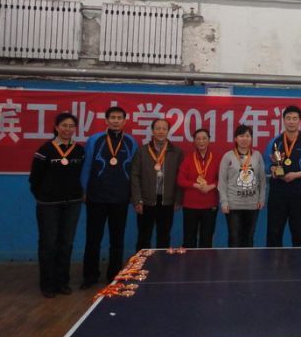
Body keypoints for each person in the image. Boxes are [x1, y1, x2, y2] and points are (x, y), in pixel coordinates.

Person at [79, 106, 138, 289]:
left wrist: (132, 194)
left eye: (119, 118)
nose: (116, 121)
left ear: (125, 120)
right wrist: (84, 189)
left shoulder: (131, 141)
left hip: (120, 198)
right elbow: (87, 165)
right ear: (106, 120)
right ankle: (90, 276)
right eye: (112, 117)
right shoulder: (95, 139)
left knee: (117, 240)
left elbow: (133, 171)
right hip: (96, 197)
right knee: (93, 239)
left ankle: (114, 275)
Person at [29, 112, 85, 298]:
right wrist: (43, 196)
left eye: (71, 126)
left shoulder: (79, 151)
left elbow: (83, 175)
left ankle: (62, 282)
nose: (68, 129)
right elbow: (34, 179)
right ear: (56, 127)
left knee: (66, 244)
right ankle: (48, 284)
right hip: (49, 205)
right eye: (64, 125)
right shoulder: (44, 150)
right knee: (49, 244)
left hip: (73, 204)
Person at [263, 105, 301, 247]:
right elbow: (266, 164)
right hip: (277, 193)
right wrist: (272, 169)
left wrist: (298, 174)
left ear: (300, 121)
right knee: (274, 233)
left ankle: (299, 262)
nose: (291, 121)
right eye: (288, 118)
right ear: (283, 120)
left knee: (299, 233)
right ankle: (273, 261)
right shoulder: (275, 142)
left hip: (299, 194)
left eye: (295, 118)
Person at [130, 118, 184, 250]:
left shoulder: (176, 152)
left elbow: (180, 177)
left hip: (167, 201)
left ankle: (163, 263)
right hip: (146, 201)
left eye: (164, 129)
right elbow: (134, 176)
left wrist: (178, 199)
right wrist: (137, 200)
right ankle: (141, 263)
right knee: (144, 237)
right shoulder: (142, 151)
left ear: (168, 131)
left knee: (164, 237)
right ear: (152, 131)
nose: (161, 131)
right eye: (158, 128)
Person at [218, 124, 266, 247]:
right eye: (241, 136)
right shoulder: (228, 156)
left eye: (247, 136)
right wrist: (224, 202)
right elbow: (222, 181)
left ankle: (248, 260)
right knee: (234, 237)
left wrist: (261, 199)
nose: (244, 139)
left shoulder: (257, 155)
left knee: (249, 237)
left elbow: (262, 179)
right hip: (233, 204)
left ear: (251, 138)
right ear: (235, 138)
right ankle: (233, 260)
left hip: (252, 204)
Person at [177, 128, 219, 248]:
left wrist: (211, 186)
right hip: (191, 205)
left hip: (210, 204)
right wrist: (195, 185)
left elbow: (223, 179)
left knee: (207, 239)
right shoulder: (188, 159)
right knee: (189, 239)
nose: (201, 141)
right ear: (194, 141)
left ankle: (205, 261)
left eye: (204, 138)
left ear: (209, 140)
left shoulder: (217, 158)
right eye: (198, 139)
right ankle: (189, 261)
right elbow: (180, 180)